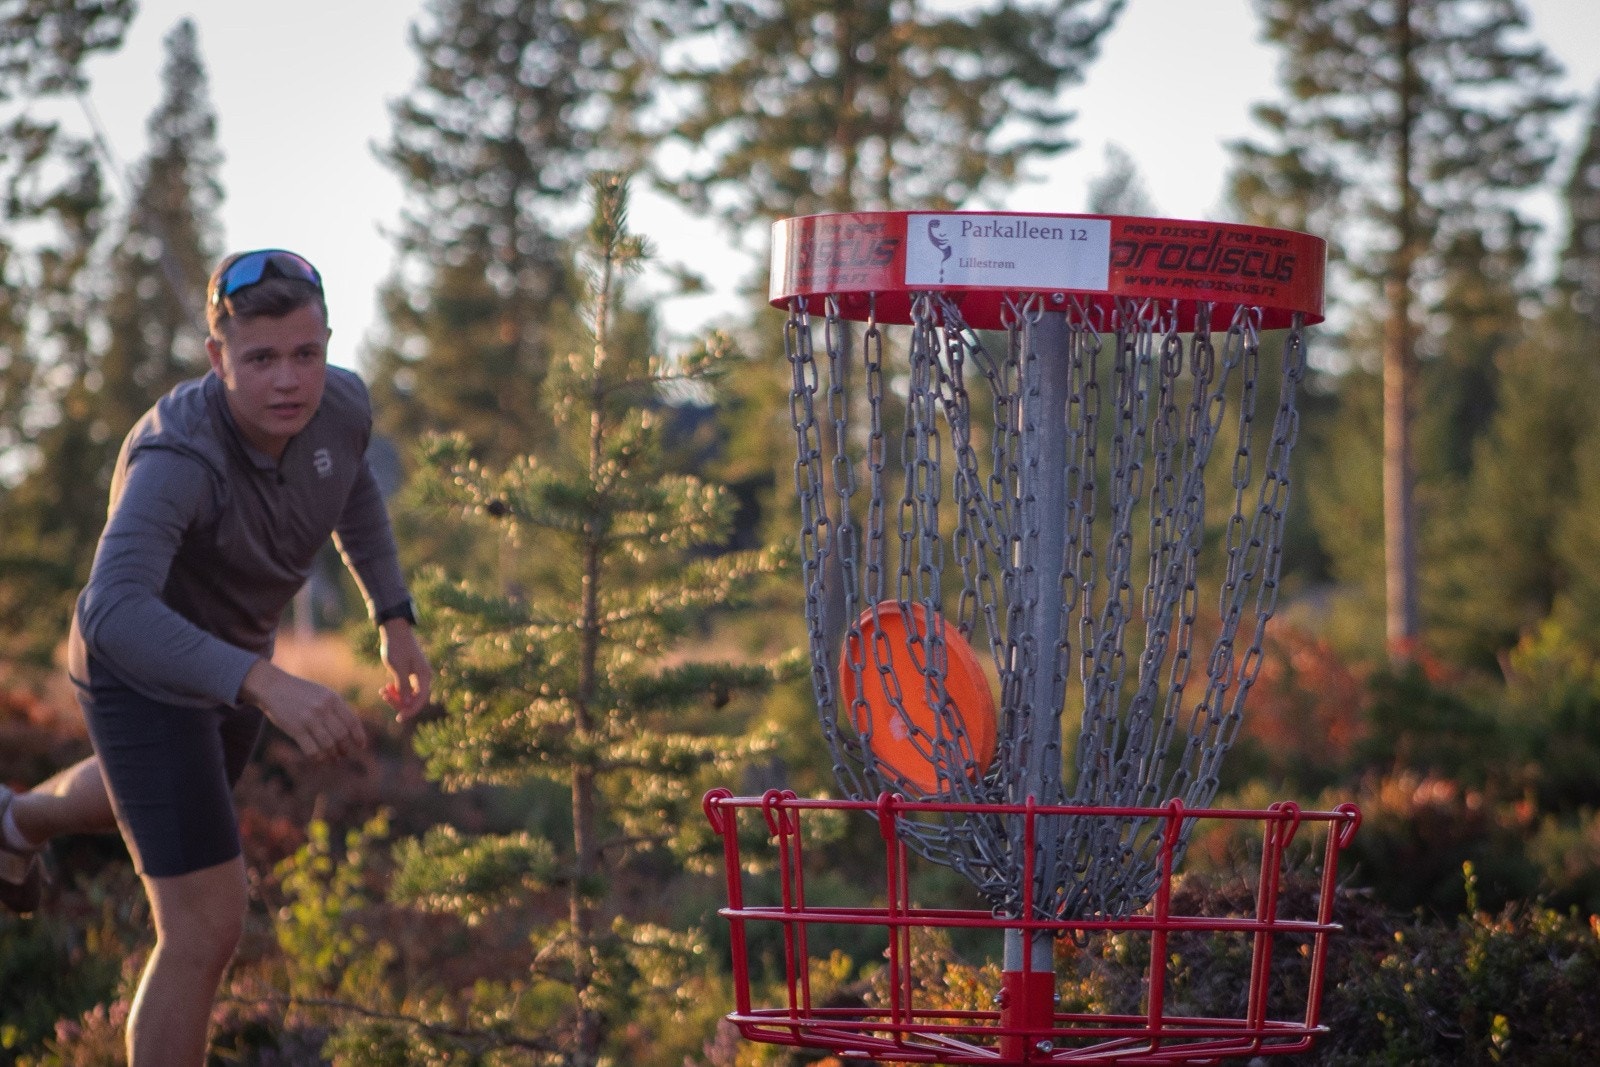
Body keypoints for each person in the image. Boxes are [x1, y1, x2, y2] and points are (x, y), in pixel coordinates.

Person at [0, 249, 432, 1065]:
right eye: (260, 358)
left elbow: (354, 491)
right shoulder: (177, 456)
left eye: (307, 353)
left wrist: (393, 614)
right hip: (140, 666)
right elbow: (113, 609)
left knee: (151, 788)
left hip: (235, 665)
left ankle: (15, 821)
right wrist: (265, 681)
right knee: (205, 924)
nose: (288, 381)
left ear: (329, 346)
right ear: (217, 357)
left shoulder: (338, 406)